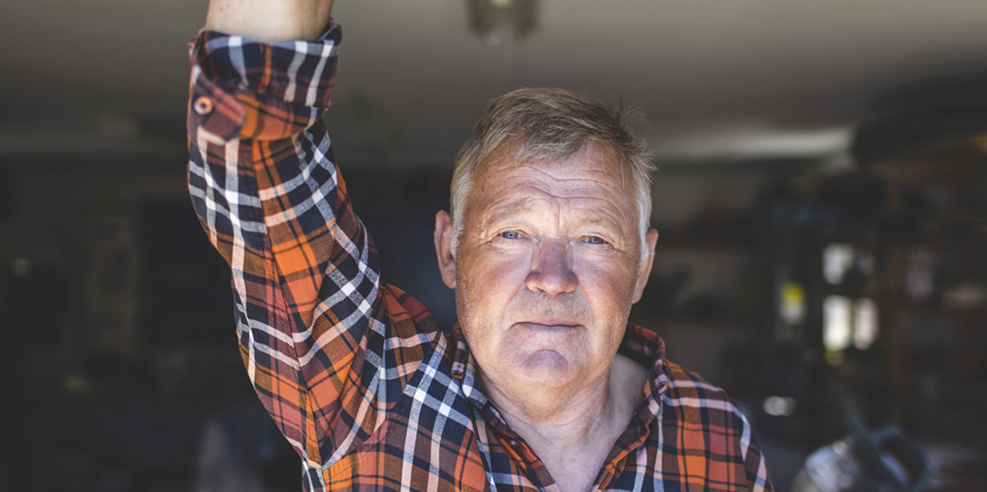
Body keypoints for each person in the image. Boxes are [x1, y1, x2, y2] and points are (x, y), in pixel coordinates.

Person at [186, 0, 772, 490]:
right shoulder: (369, 399)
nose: (552, 276)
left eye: (593, 238)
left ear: (642, 267)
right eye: (512, 233)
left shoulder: (715, 433)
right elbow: (264, 177)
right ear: (450, 250)